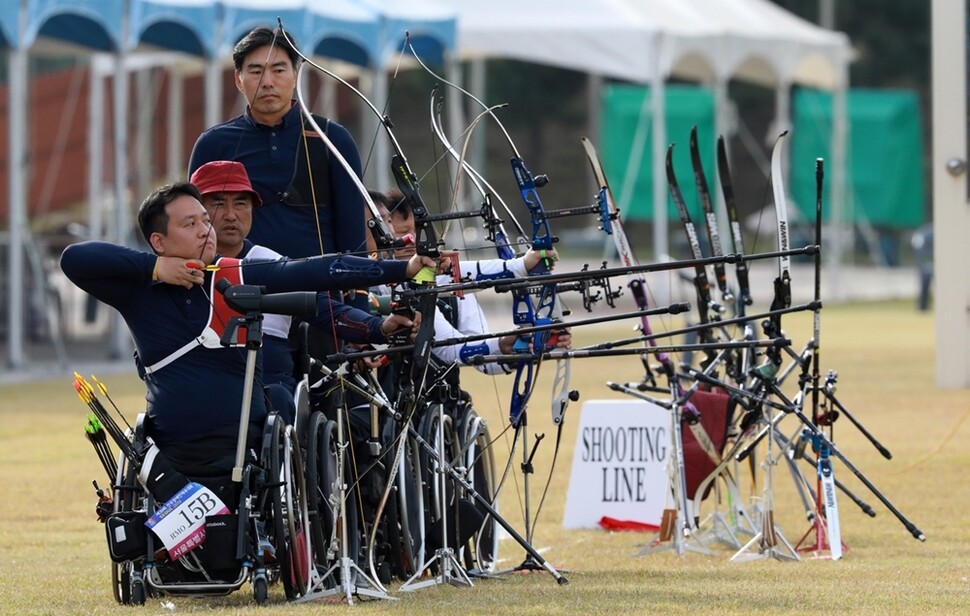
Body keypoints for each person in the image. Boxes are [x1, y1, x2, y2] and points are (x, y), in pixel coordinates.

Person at [59, 181, 440, 459]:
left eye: (204, 220)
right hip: (173, 441)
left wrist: (402, 269)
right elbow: (74, 258)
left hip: (244, 438)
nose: (206, 229)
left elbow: (316, 271)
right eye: (190, 224)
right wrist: (155, 268)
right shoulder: (138, 289)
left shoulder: (235, 273)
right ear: (159, 242)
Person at [190, 160, 413, 399]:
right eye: (218, 203)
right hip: (202, 390)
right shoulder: (173, 270)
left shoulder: (268, 262)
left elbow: (326, 310)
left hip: (268, 393)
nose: (231, 215)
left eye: (241, 203)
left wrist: (377, 327)